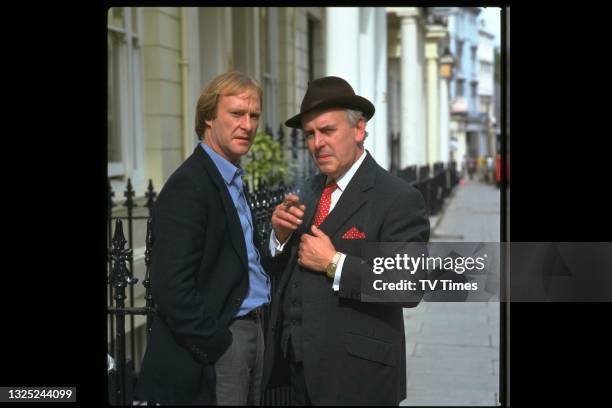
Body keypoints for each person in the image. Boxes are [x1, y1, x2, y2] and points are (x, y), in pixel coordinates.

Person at [261, 76, 430, 405]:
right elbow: (284, 276)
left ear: (359, 129)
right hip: (294, 373)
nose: (317, 143)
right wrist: (278, 239)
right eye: (310, 134)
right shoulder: (307, 191)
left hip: (357, 379)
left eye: (327, 130)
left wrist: (333, 264)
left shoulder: (397, 197)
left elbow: (409, 284)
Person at [136, 71, 270, 405]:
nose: (248, 125)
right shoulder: (190, 185)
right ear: (209, 117)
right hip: (223, 343)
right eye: (236, 113)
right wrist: (218, 345)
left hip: (252, 332)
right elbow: (171, 288)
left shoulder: (230, 177)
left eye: (254, 115)